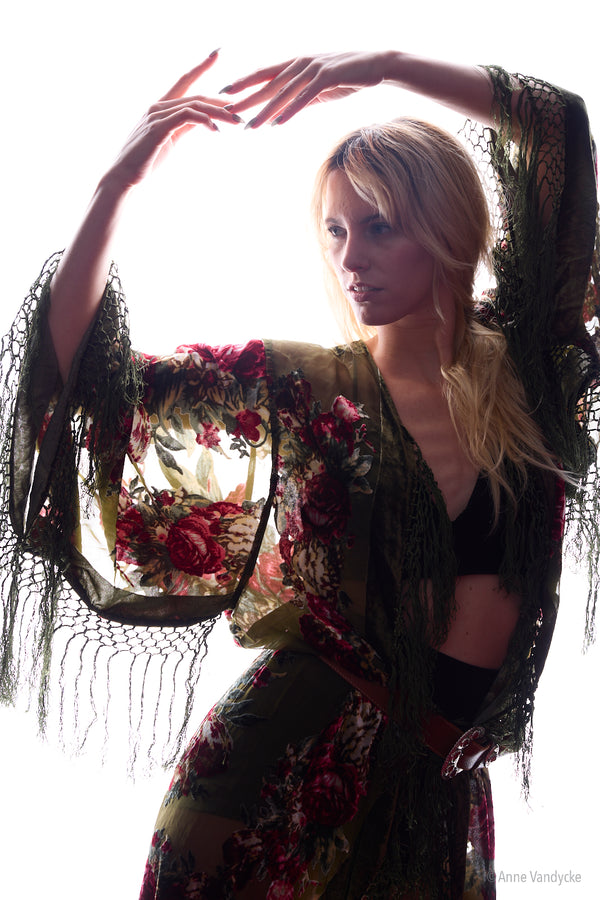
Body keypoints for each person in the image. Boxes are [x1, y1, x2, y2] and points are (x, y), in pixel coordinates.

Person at [0, 49, 598, 899]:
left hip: (435, 802)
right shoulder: (300, 393)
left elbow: (557, 131)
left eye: (379, 225)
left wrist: (383, 66)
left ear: (450, 228)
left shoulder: (531, 374)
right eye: (335, 229)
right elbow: (80, 397)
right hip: (271, 791)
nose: (351, 256)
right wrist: (117, 186)